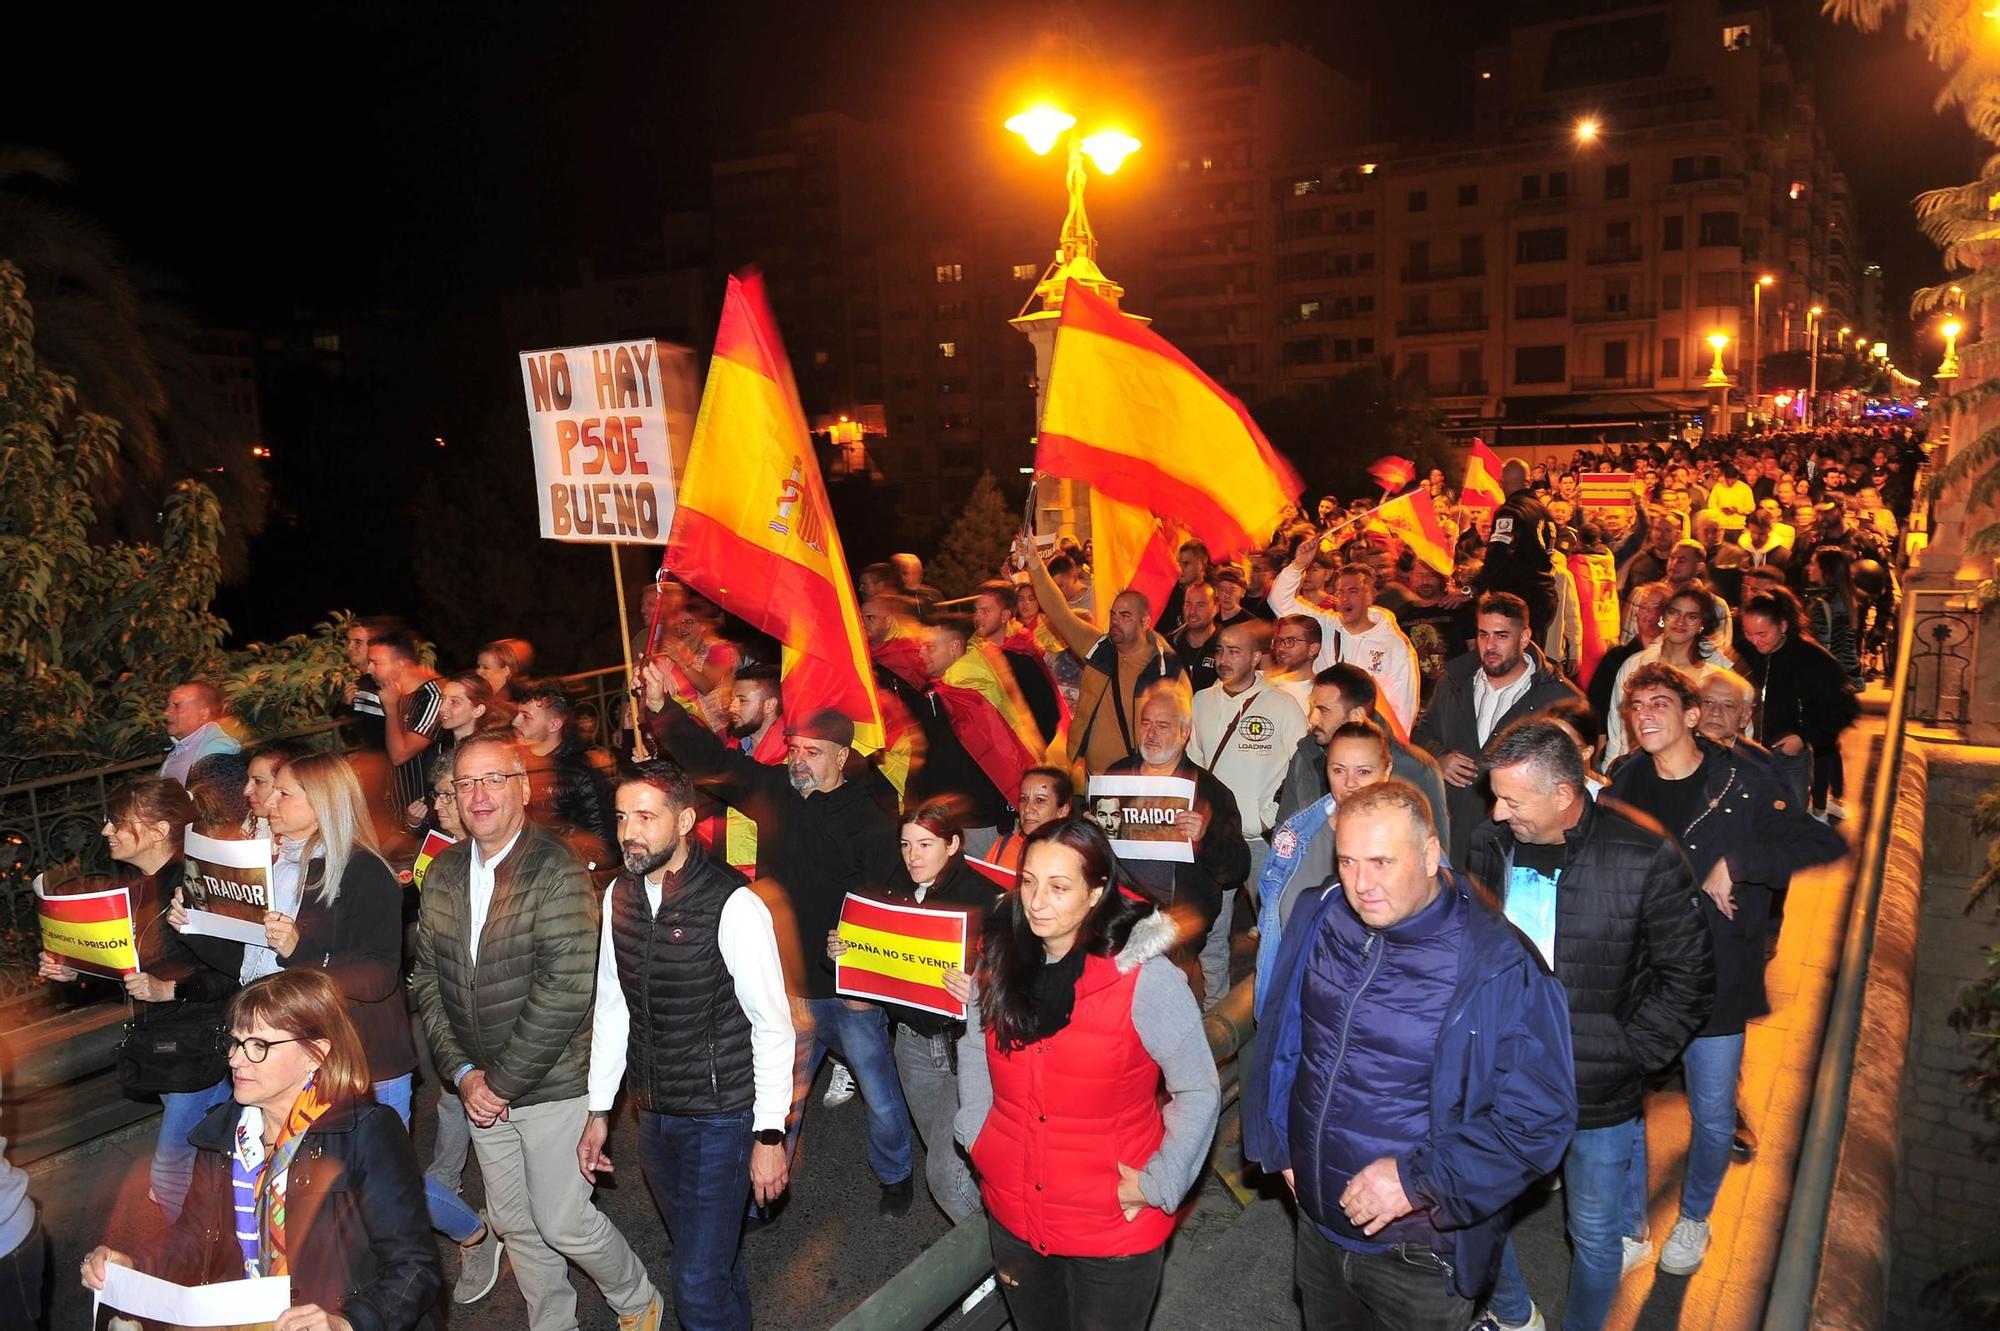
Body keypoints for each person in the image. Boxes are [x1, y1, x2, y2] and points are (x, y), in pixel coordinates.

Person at [1246, 782, 1577, 1327]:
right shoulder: (1322, 913)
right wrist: (1278, 1140)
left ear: (1429, 855)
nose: (1361, 884)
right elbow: (1286, 1038)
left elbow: (1539, 1121)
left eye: (1381, 861)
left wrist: (1415, 1180)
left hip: (1419, 1254)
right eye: (1348, 861)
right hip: (1318, 1225)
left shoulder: (1496, 964)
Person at [410, 733, 665, 1331]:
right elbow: (426, 978)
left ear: (522, 788)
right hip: (479, 1087)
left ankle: (637, 1299)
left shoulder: (555, 867)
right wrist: (465, 1073)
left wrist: (498, 1082)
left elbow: (567, 989)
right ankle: (552, 1322)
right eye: (465, 784)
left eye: (494, 779)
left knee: (563, 1220)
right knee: (514, 1222)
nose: (479, 795)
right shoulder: (442, 871)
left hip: (551, 1083)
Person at [1469, 720, 1715, 1331]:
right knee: (1473, 1209)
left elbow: (1687, 977)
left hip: (1597, 1089)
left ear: (1563, 794)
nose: (1497, 813)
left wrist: (1626, 1054)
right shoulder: (1487, 844)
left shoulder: (1644, 854)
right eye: (1495, 796)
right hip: (1501, 1078)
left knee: (1597, 1235)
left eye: (1511, 800)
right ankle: (1514, 1314)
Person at [635, 682, 916, 1214]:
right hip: (783, 991)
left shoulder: (870, 814)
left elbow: (888, 897)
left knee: (880, 1094)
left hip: (847, 989)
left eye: (812, 752)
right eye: (793, 750)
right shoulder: (775, 793)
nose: (799, 760)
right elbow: (711, 761)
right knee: (779, 1104)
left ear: (842, 755)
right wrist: (662, 710)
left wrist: (863, 950)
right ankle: (767, 1194)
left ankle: (896, 1174)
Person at [1608, 664, 1844, 1274]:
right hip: (1644, 976)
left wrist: (1738, 861)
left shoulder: (1742, 779)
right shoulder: (1626, 779)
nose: (1646, 715)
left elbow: (1821, 844)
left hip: (1716, 974)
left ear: (1691, 715)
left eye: (1660, 703)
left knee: (1712, 1114)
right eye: (1637, 706)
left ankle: (1694, 1220)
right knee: (1623, 1107)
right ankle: (1632, 1226)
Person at [955, 818, 1220, 1331]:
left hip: (1112, 1228)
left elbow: (1198, 1087)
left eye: (1059, 887)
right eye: (1028, 882)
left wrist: (1162, 1182)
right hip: (1014, 1214)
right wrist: (977, 1133)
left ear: (1097, 891)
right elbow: (973, 1048)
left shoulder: (1145, 980)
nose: (1036, 901)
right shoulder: (1000, 961)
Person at [80, 969, 442, 1331]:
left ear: (316, 1053)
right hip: (250, 1317)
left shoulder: (364, 1132)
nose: (236, 1059)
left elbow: (414, 1267)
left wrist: (347, 1323)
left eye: (259, 1045)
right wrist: (136, 1266)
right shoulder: (223, 1135)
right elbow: (193, 1236)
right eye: (236, 1042)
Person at [583, 762, 795, 1330]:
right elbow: (612, 1004)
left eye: (646, 816)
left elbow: (773, 1025)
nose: (630, 830)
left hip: (722, 1119)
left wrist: (770, 1134)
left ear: (684, 820)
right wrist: (599, 1110)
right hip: (652, 1117)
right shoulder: (617, 896)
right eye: (623, 815)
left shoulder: (733, 904)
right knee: (711, 1262)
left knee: (695, 1285)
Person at [40, 780, 236, 1224]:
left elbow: (237, 971)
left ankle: (187, 1266)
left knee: (168, 1170)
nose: (106, 830)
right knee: (207, 1160)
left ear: (157, 829)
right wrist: (75, 971)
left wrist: (170, 991)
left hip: (205, 1045)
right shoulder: (133, 886)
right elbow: (131, 968)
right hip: (168, 1046)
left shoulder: (196, 884)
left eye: (117, 821)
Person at [827, 800, 999, 1222]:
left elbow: (1022, 975)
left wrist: (983, 984)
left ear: (954, 844)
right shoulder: (892, 892)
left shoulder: (985, 899)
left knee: (944, 1175)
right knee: (955, 1157)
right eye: (905, 845)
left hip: (965, 1050)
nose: (913, 856)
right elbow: (880, 963)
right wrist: (845, 953)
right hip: (911, 1046)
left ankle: (1001, 1255)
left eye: (925, 844)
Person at [1104, 681, 1250, 1007]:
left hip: (1175, 927)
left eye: (1163, 725)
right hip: (1118, 918)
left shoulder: (1209, 791)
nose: (1151, 733)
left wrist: (1207, 837)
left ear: (1185, 734)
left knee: (1161, 1011)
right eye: (1145, 722)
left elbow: (1236, 869)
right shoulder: (1116, 776)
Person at [1188, 619, 1309, 1007]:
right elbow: (1194, 766)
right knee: (1212, 930)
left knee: (1275, 927)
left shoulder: (1282, 706)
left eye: (1234, 651)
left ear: (1257, 657)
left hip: (1262, 842)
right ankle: (1215, 1010)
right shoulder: (1202, 701)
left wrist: (1272, 814)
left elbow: (1304, 766)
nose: (1223, 659)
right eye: (1220, 650)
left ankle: (1269, 1007)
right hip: (1218, 840)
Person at [1411, 593, 1583, 865]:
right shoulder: (1453, 683)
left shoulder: (1558, 699)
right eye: (1483, 635)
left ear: (1524, 637)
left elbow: (1574, 779)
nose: (1489, 645)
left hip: (1519, 851)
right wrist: (1439, 757)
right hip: (1452, 841)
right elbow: (1422, 734)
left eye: (1501, 635)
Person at [1253, 720, 1395, 1013]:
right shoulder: (1295, 835)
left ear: (1387, 771)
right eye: (1338, 770)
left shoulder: (1410, 844)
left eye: (1364, 772)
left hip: (1369, 1010)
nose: (1350, 783)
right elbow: (1273, 921)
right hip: (1297, 1003)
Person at [1019, 536, 1185, 778]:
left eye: (1125, 615)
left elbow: (1184, 728)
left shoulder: (1164, 666)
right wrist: (1035, 563)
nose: (1115, 620)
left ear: (1145, 622)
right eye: (1113, 614)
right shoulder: (1099, 648)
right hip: (1094, 780)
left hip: (1142, 784)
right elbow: (1059, 612)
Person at [1276, 665, 1450, 845]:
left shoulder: (1417, 769)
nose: (1312, 719)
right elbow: (1285, 830)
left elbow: (1435, 852)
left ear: (1357, 715)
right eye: (1338, 770)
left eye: (1324, 710)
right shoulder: (1306, 754)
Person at [1738, 590, 1859, 818]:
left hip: (1788, 757)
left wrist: (1804, 736)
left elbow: (1845, 707)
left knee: (1791, 819)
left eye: (1762, 633)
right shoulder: (1742, 652)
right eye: (1748, 632)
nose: (1754, 640)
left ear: (1783, 626)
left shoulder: (1811, 658)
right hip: (1747, 754)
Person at [1270, 552, 1421, 735]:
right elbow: (1279, 602)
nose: (1344, 598)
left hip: (1364, 741)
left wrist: (1389, 748)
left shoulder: (1394, 646)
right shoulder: (1325, 625)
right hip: (1322, 733)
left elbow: (1403, 710)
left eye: (1353, 591)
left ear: (1371, 596)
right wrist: (1298, 565)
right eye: (1340, 591)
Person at [1602, 585, 1736, 765]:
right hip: (1637, 769)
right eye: (1674, 612)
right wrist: (1612, 773)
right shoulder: (1635, 665)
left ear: (1702, 624)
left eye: (1692, 616)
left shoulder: (1716, 677)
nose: (1680, 621)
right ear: (1663, 617)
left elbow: (1736, 732)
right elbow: (1617, 729)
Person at [513, 680, 617, 864]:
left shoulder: (581, 774)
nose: (515, 722)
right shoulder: (512, 763)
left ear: (554, 725)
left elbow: (603, 846)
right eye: (517, 714)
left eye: (526, 716)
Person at [1474, 458, 1560, 637]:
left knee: (1516, 660)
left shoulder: (1509, 511)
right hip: (1545, 596)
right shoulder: (1544, 511)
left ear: (1500, 483)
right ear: (1528, 482)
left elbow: (1498, 555)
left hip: (1518, 601)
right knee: (1534, 657)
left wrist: (1472, 588)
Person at [366, 628, 443, 822]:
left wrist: (390, 710)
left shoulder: (432, 697)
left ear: (400, 664)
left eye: (376, 663)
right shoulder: (392, 694)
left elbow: (400, 755)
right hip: (396, 810)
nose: (369, 670)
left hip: (425, 813)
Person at [984, 766, 1077, 883]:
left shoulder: (1074, 857)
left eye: (1040, 800)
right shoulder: (1006, 843)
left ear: (1062, 811)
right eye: (1024, 799)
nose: (1027, 808)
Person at [160, 680, 240, 784]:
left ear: (203, 714)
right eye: (168, 705)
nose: (166, 713)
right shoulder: (180, 745)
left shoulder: (219, 752)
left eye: (177, 706)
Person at [1169, 580, 1224, 692]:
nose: (1192, 611)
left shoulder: (1227, 646)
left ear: (1216, 608)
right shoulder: (1169, 643)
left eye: (1201, 605)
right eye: (1188, 604)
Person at [1155, 538, 1211, 638]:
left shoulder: (1213, 595)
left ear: (1202, 564)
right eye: (1178, 563)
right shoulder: (1169, 593)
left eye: (1186, 564)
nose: (1180, 568)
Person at [477, 636, 537, 702]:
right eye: (478, 666)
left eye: (486, 668)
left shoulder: (518, 704)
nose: (478, 672)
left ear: (506, 670)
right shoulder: (480, 695)